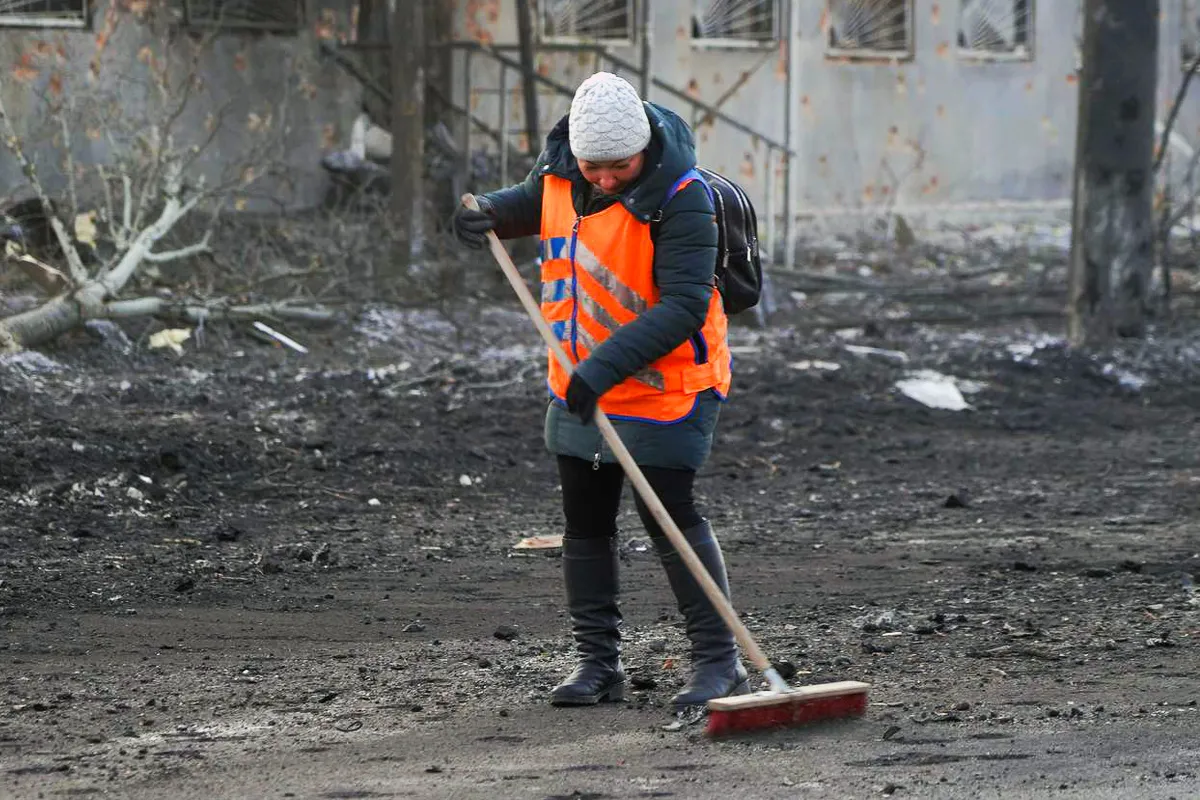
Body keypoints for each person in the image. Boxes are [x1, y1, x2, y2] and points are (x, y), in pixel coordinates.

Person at [451, 72, 747, 710]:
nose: (606, 179)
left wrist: (601, 369)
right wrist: (484, 214)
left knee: (667, 514)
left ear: (643, 149)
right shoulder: (564, 175)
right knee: (584, 521)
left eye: (620, 166)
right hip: (581, 385)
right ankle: (598, 665)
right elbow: (524, 204)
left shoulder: (684, 198)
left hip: (668, 387)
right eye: (594, 166)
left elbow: (685, 307)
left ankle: (720, 662)